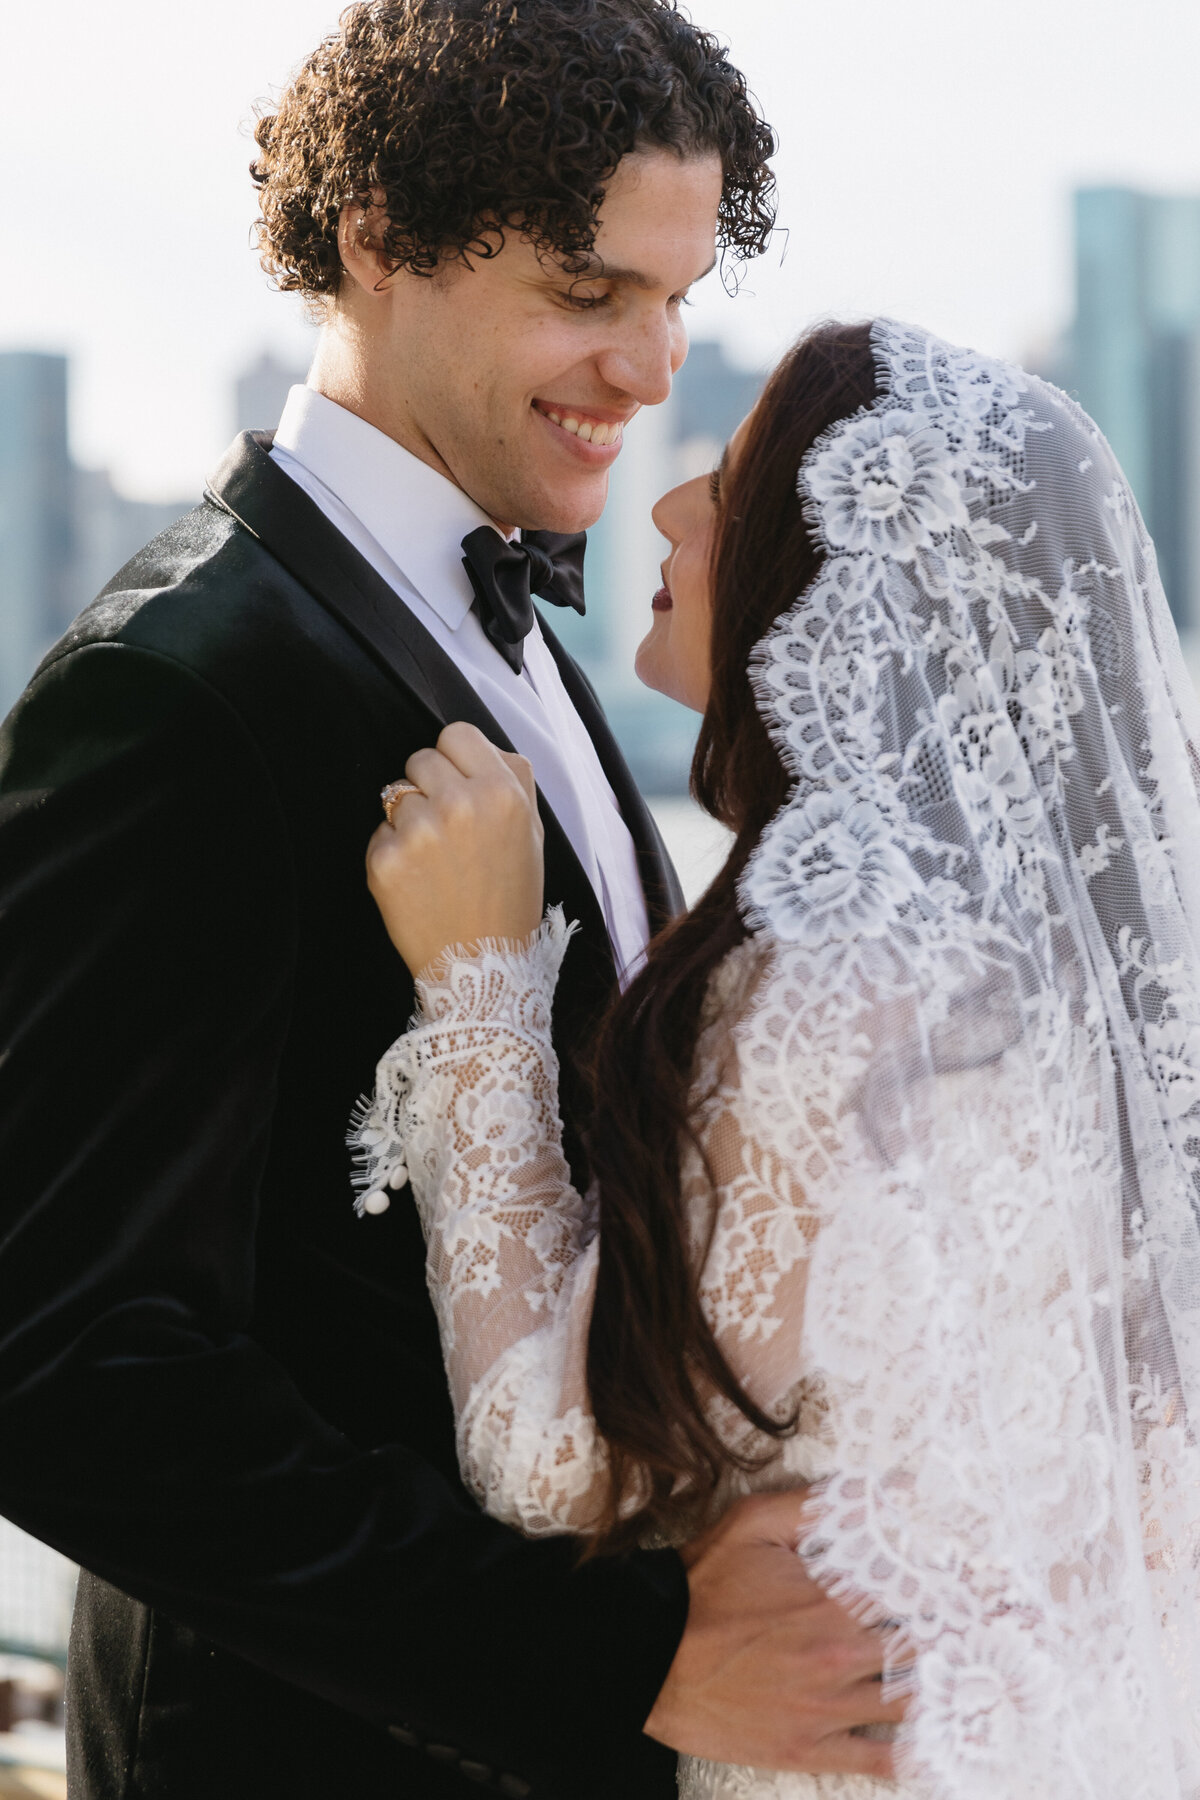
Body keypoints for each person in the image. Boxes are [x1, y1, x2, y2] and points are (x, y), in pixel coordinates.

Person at [0, 4, 903, 1798]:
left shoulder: (538, 644)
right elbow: (63, 1363)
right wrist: (628, 1674)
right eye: (589, 291)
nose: (651, 369)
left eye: (674, 297)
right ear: (379, 240)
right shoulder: (180, 691)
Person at [358, 316, 1200, 1800]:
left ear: (851, 600)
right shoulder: (1076, 1013)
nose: (672, 506)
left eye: (732, 491)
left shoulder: (834, 985)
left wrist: (478, 990)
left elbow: (554, 1453)